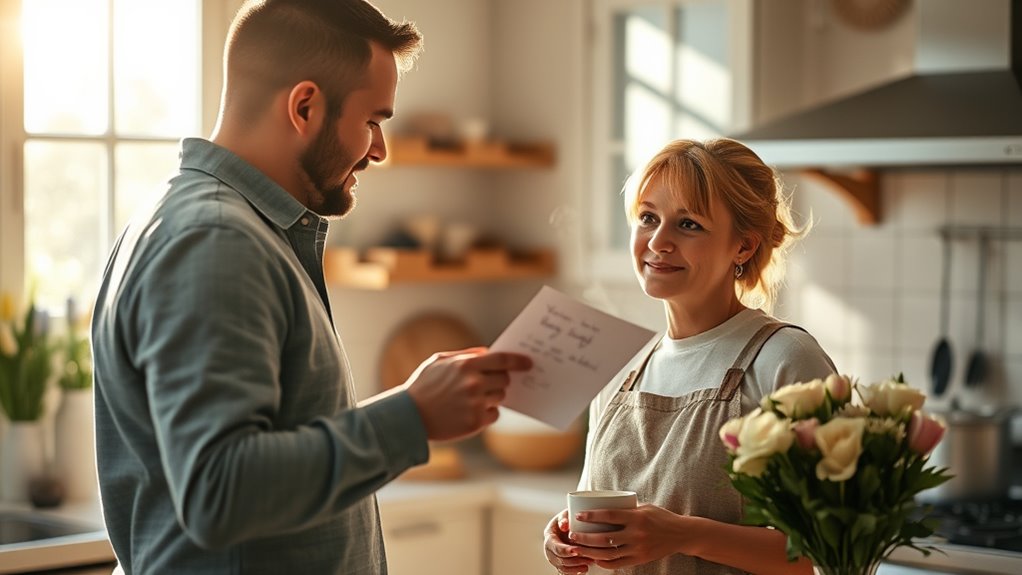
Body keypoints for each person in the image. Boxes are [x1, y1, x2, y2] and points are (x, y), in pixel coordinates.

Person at [90, 1, 531, 574]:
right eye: (373, 121)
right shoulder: (217, 241)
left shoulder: (209, 224)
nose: (379, 150)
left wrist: (415, 407)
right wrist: (412, 417)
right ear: (304, 106)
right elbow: (218, 490)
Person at [543, 138, 836, 575]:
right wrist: (564, 537)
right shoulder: (623, 371)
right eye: (648, 218)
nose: (658, 241)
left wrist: (684, 534)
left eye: (689, 225)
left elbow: (829, 552)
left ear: (744, 247)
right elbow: (596, 508)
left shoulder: (787, 361)